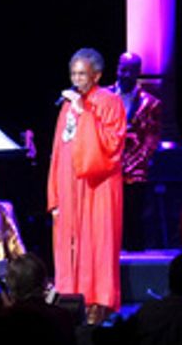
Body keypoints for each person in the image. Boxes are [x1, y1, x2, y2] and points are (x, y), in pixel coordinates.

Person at [48, 48, 125, 326]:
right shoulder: (68, 105)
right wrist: (54, 196)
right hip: (70, 186)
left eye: (82, 74)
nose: (77, 79)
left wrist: (85, 113)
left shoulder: (110, 101)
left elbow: (111, 146)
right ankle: (72, 299)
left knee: (99, 243)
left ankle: (98, 303)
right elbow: (58, 151)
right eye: (73, 73)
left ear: (97, 75)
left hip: (98, 185)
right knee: (70, 245)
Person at [108, 52, 163, 251]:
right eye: (121, 69)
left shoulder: (151, 103)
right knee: (109, 221)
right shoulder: (104, 98)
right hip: (107, 169)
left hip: (135, 172)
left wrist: (134, 162)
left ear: (138, 72)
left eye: (130, 70)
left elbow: (152, 140)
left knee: (134, 220)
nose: (124, 74)